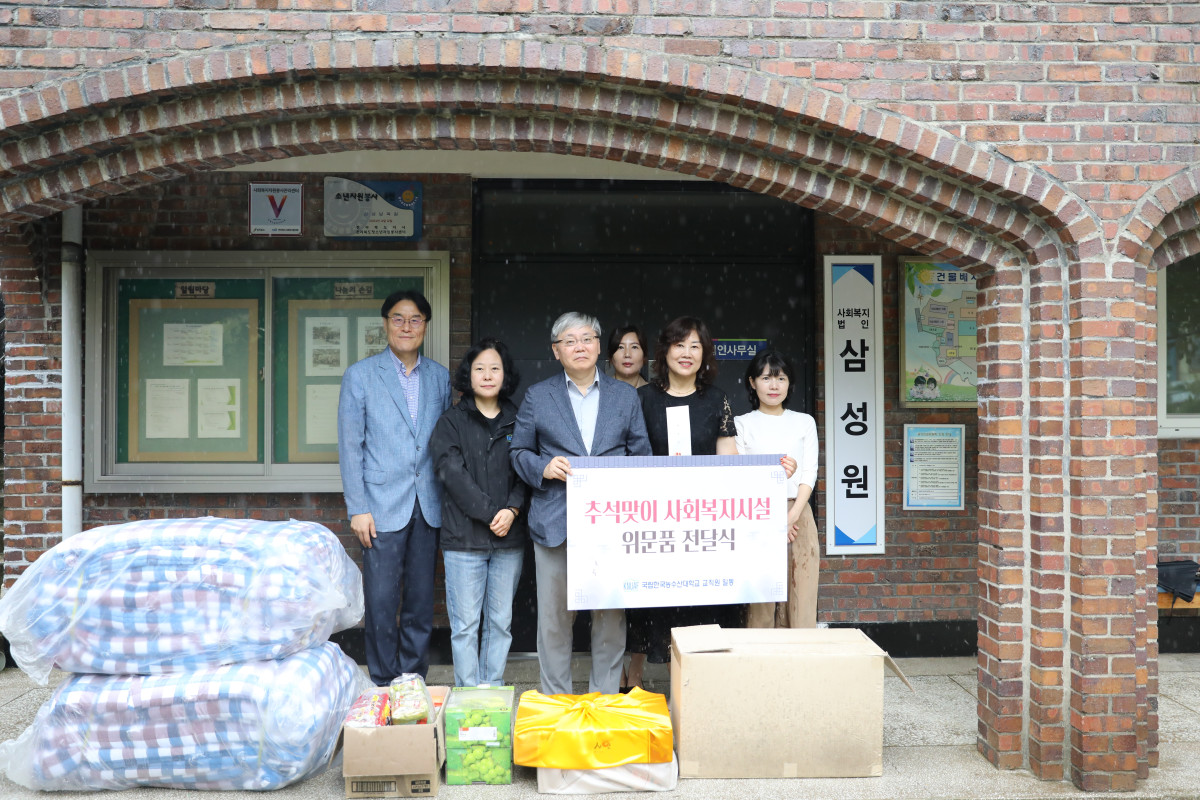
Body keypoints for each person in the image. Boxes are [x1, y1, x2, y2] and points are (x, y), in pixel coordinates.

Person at [510, 312, 652, 696]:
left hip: (611, 526)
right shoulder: (539, 396)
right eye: (569, 341)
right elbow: (518, 451)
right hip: (555, 521)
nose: (579, 347)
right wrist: (544, 466)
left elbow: (641, 454)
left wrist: (618, 473)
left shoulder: (625, 396)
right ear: (556, 352)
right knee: (555, 620)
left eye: (587, 339)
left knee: (609, 616)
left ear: (598, 346)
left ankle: (604, 699)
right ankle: (556, 701)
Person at [337, 289, 451, 685]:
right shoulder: (361, 375)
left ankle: (413, 679)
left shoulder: (439, 377)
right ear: (386, 324)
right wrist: (358, 507)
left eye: (416, 319)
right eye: (399, 319)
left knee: (421, 601)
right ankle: (384, 682)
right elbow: (351, 446)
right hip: (380, 506)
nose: (407, 326)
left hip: (428, 503)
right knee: (382, 601)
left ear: (425, 326)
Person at [624, 316, 739, 689]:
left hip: (700, 523)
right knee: (646, 603)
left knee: (698, 602)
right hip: (651, 522)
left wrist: (769, 474)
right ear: (665, 351)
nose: (686, 353)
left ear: (704, 355)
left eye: (695, 346)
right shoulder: (641, 398)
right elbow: (626, 457)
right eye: (679, 345)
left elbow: (730, 461)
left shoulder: (717, 400)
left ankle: (695, 689)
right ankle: (635, 683)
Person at [431, 338, 529, 687]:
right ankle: (468, 698)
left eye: (495, 368)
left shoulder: (520, 420)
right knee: (465, 625)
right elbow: (452, 476)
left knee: (500, 623)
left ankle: (493, 693)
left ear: (505, 375)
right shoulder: (451, 422)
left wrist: (513, 510)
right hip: (464, 541)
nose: (487, 376)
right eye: (479, 369)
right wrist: (493, 514)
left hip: (509, 540)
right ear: (468, 375)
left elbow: (527, 472)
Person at [734, 349, 820, 628]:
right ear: (752, 383)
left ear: (789, 383)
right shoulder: (742, 424)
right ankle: (761, 662)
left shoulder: (804, 422)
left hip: (797, 511)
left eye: (780, 378)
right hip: (758, 514)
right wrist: (773, 520)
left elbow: (809, 473)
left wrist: (791, 517)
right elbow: (740, 474)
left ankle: (801, 661)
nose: (774, 386)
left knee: (801, 593)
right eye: (766, 378)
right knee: (762, 598)